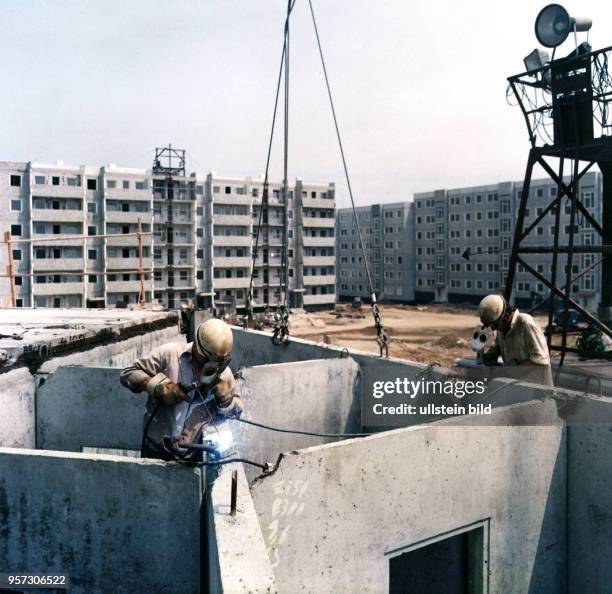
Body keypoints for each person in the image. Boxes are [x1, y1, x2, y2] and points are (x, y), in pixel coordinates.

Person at [120, 318, 243, 460]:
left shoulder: (224, 374)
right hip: (156, 452)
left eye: (214, 363)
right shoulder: (168, 354)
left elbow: (237, 413)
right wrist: (157, 387)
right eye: (204, 360)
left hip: (194, 458)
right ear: (196, 346)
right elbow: (127, 374)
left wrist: (227, 400)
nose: (206, 367)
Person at [478, 294, 553, 386]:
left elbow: (541, 360)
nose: (493, 329)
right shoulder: (502, 327)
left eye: (495, 325)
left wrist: (509, 372)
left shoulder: (525, 323)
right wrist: (489, 356)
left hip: (537, 388)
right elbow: (499, 347)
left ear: (506, 316)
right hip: (516, 386)